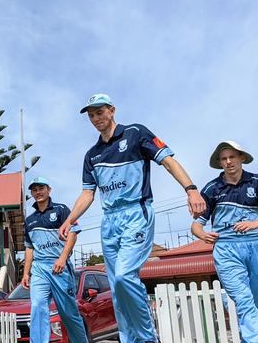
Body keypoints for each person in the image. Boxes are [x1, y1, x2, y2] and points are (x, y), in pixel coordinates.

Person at [59, 94, 205, 343]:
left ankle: (148, 338)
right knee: (117, 287)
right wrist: (70, 219)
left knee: (125, 275)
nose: (96, 118)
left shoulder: (136, 133)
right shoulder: (92, 154)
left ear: (112, 110)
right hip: (109, 221)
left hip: (136, 212)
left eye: (100, 112)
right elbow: (87, 193)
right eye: (91, 115)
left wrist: (191, 189)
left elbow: (168, 162)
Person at [192, 141, 258, 342]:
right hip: (226, 249)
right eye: (224, 159)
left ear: (241, 158)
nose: (228, 162)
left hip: (255, 246)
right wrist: (202, 235)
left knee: (256, 303)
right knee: (243, 299)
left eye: (232, 157)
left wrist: (256, 223)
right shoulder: (212, 189)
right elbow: (196, 226)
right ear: (220, 163)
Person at [22, 177, 88, 343]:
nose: (38, 192)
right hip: (39, 268)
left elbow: (73, 234)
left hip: (59, 266)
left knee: (68, 313)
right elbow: (29, 248)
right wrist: (25, 273)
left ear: (49, 189)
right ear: (31, 193)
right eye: (34, 189)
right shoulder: (29, 221)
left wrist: (62, 258)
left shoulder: (61, 210)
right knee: (37, 306)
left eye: (41, 188)